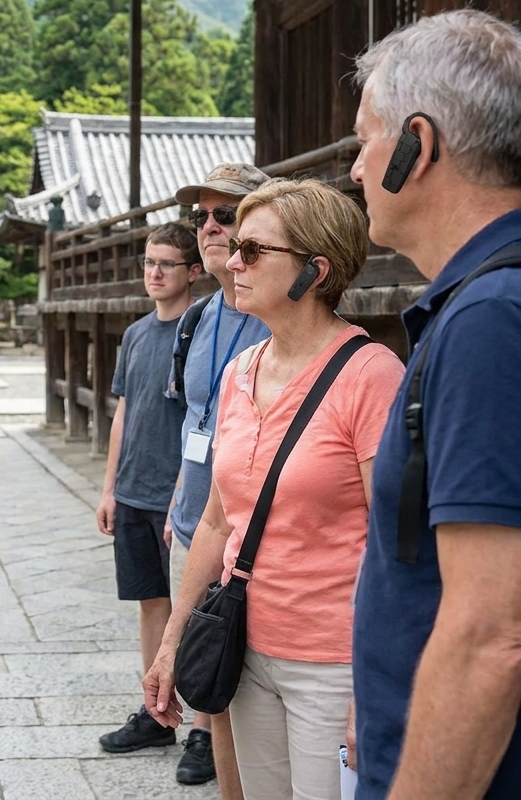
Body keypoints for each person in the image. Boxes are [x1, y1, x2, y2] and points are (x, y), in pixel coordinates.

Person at [144, 178, 404, 800]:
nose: (232, 262)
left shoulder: (371, 377)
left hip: (333, 661)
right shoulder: (240, 372)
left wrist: (377, 683)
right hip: (244, 644)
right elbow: (215, 523)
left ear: (315, 271)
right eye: (236, 246)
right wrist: (172, 640)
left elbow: (395, 543)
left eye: (255, 251)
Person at [349, 10, 521, 800]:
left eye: (365, 140)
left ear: (419, 145)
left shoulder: (491, 319)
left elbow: (495, 633)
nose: (354, 169)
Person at [165, 163, 271, 792]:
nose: (207, 228)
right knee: (203, 647)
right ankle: (207, 735)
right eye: (198, 216)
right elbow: (196, 416)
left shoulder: (273, 312)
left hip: (244, 529)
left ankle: (212, 742)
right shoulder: (201, 317)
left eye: (222, 215)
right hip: (196, 513)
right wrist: (182, 489)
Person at [95, 222, 202, 754]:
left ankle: (203, 728)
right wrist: (109, 487)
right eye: (148, 263)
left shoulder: (200, 329)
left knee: (197, 611)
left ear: (193, 272)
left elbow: (203, 419)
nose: (154, 273)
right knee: (150, 602)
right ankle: (157, 713)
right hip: (134, 490)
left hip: (178, 496)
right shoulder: (136, 334)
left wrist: (183, 495)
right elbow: (124, 411)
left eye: (166, 264)